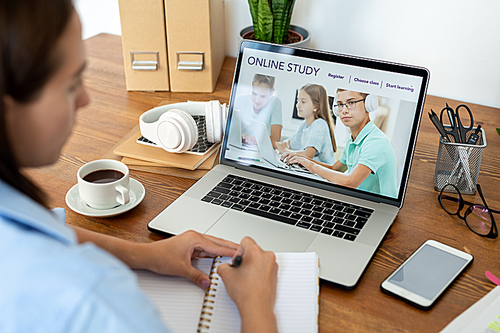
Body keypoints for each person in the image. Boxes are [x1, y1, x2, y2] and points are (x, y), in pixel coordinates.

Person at [0, 1, 279, 332]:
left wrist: (145, 255)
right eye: (72, 83)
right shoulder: (89, 297)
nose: (85, 99)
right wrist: (255, 302)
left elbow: (49, 230)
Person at [286, 89, 398, 198]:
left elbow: (350, 182)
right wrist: (303, 160)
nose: (344, 110)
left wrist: (312, 166)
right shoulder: (352, 141)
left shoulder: (376, 141)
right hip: (357, 200)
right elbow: (335, 169)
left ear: (368, 104)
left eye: (351, 103)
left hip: (377, 207)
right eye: (340, 105)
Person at [276, 83, 336, 165]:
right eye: (298, 101)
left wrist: (284, 151)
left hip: (321, 176)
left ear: (316, 106)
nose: (298, 105)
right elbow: (290, 143)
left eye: (303, 102)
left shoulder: (320, 124)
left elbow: (308, 155)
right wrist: (284, 145)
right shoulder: (304, 125)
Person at [233, 73, 282, 148]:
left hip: (260, 151)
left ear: (272, 93)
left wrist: (251, 139)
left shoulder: (275, 103)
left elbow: (275, 142)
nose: (257, 100)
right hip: (238, 147)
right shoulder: (240, 101)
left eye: (263, 96)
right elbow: (230, 133)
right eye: (254, 93)